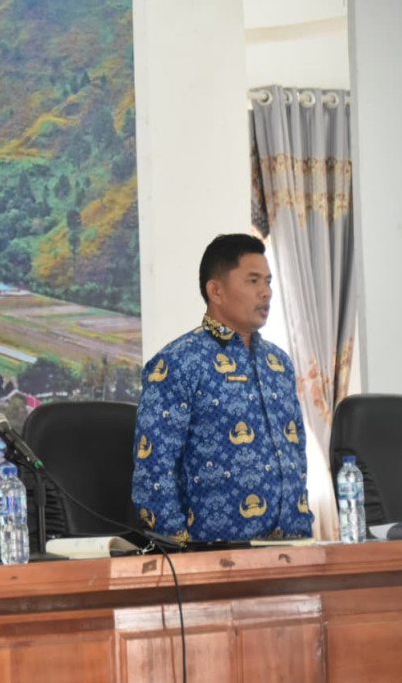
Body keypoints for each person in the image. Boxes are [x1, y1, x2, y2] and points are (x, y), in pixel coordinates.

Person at [131, 233, 313, 544]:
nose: (266, 293)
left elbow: (296, 454)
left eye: (268, 282)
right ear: (216, 290)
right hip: (213, 556)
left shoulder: (279, 364)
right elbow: (154, 472)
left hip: (292, 548)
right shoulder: (178, 363)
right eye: (253, 281)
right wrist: (181, 550)